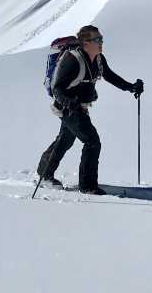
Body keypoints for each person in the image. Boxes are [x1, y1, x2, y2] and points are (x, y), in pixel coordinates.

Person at [36, 25, 144, 195]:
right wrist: (69, 103)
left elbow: (109, 75)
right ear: (86, 43)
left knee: (65, 139)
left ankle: (44, 174)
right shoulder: (72, 59)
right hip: (67, 107)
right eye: (97, 39)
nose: (101, 42)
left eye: (101, 38)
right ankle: (87, 186)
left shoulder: (98, 58)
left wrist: (130, 87)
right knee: (92, 141)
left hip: (80, 106)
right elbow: (57, 88)